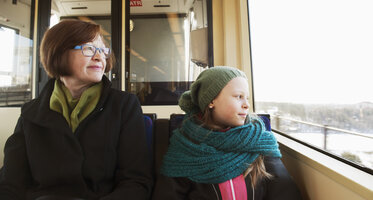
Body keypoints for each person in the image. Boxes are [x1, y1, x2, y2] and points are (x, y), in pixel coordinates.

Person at [0, 19, 153, 200]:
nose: (99, 57)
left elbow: (136, 183)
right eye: (88, 49)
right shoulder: (31, 113)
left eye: (103, 50)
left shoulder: (124, 106)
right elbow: (11, 183)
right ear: (58, 52)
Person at [152, 66, 301, 199]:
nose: (246, 104)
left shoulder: (259, 142)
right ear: (211, 101)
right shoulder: (185, 147)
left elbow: (285, 192)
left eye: (247, 98)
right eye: (238, 96)